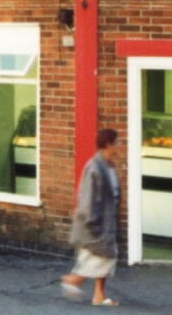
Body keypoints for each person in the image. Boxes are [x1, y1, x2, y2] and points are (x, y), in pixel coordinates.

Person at [61, 128, 120, 306]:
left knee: (104, 258)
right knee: (100, 259)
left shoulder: (108, 165)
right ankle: (72, 280)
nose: (120, 145)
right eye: (118, 142)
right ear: (109, 144)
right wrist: (92, 224)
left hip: (107, 222)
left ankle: (99, 295)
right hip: (96, 224)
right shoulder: (94, 166)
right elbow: (87, 197)